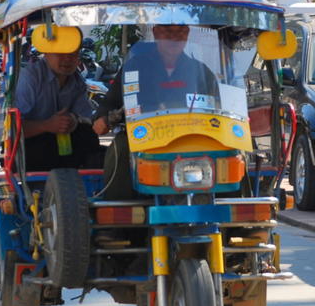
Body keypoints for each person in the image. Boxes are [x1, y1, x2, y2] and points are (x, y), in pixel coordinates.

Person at [92, 24, 220, 199]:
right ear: (156, 32)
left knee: (233, 152)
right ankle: (117, 216)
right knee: (120, 147)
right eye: (168, 31)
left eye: (180, 32)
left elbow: (218, 108)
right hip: (142, 137)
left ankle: (238, 213)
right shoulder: (134, 67)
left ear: (187, 34)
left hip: (191, 136)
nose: (174, 38)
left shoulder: (201, 71)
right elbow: (109, 103)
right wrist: (103, 119)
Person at [15, 40, 101, 172]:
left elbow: (85, 118)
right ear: (47, 52)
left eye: (73, 53)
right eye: (61, 53)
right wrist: (46, 125)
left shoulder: (77, 81)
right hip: (29, 147)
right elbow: (12, 129)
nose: (67, 58)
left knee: (89, 138)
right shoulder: (30, 77)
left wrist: (73, 120)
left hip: (61, 145)